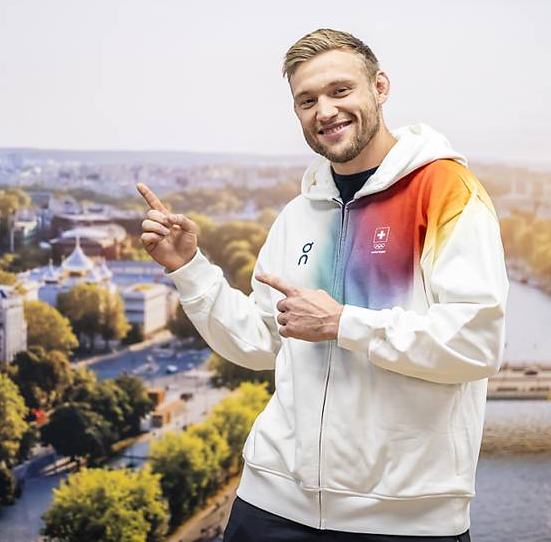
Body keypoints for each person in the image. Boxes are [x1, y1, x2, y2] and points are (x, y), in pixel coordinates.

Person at [137, 28, 507, 541]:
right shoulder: (299, 212)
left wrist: (343, 324)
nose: (324, 111)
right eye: (306, 101)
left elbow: (476, 343)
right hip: (269, 504)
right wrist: (188, 267)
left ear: (380, 87)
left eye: (340, 91)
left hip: (404, 519)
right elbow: (259, 340)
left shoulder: (447, 193)